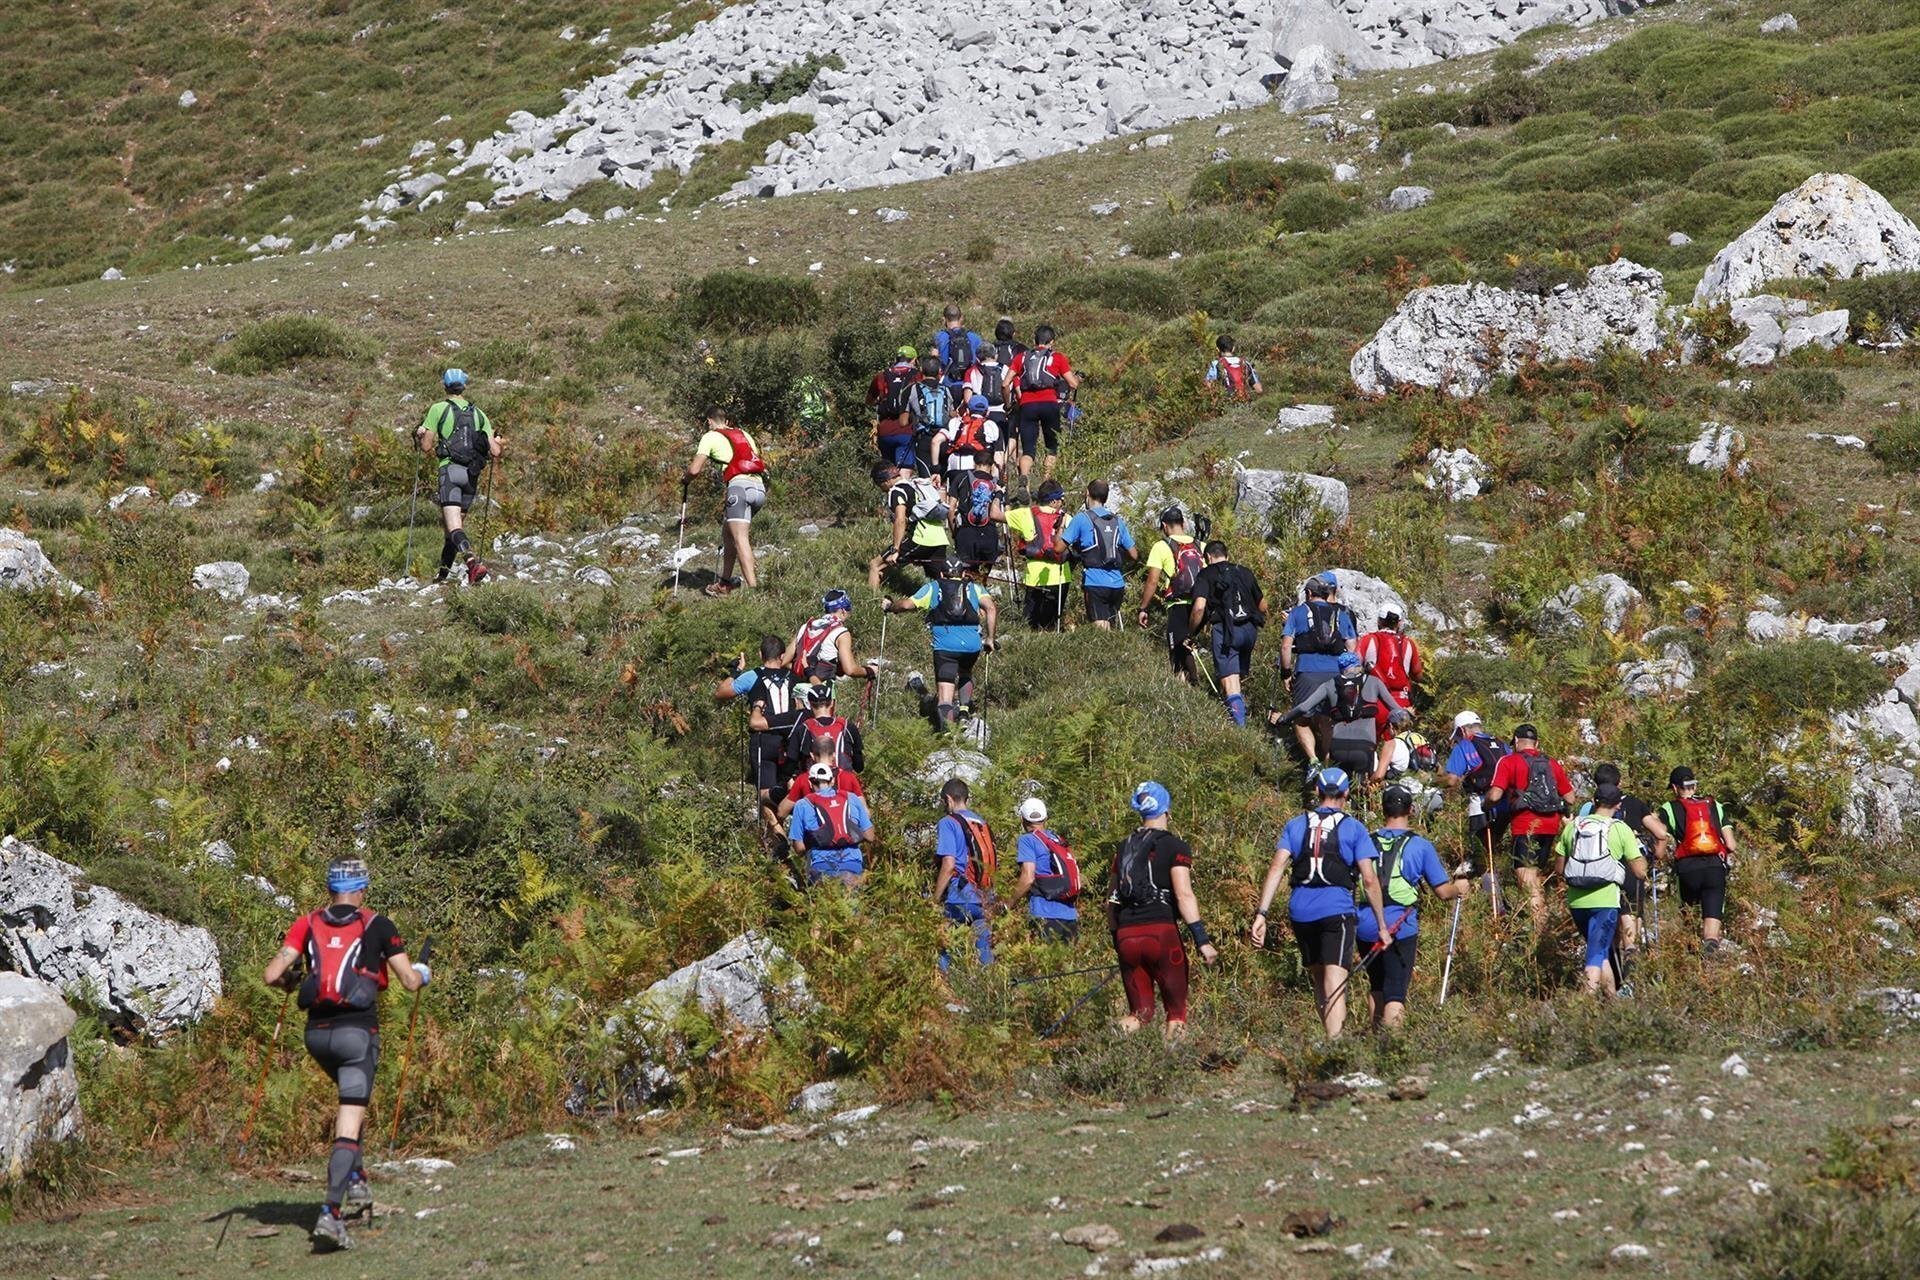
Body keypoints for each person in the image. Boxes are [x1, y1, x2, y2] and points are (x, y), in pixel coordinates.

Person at [262, 858, 429, 1251]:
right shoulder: (379, 925)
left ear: (329, 888)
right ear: (362, 889)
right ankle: (331, 1214)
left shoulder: (307, 923)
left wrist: (291, 982)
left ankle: (356, 1179)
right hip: (357, 1036)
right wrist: (424, 972)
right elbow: (408, 981)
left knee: (351, 1105)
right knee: (349, 1121)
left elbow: (271, 975)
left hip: (316, 1036)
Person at [1251, 767, 1388, 1040]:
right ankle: (1336, 1045)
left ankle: (1330, 1038)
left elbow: (1277, 867)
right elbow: (1369, 879)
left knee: (1319, 978)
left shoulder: (1295, 824)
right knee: (1335, 980)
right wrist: (1382, 924)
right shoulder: (1354, 828)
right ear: (1347, 793)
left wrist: (1261, 914)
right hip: (1337, 911)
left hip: (1301, 912)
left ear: (1317, 791)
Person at [1108, 781, 1218, 1038]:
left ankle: (1102, 1041)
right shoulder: (1175, 846)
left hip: (1126, 935)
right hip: (1162, 935)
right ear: (1167, 810)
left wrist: (1118, 941)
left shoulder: (1123, 848)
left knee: (1141, 1013)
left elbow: (1111, 901)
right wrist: (1202, 941)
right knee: (1176, 1013)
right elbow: (1184, 894)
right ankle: (1173, 1062)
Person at [1359, 787, 1473, 1030]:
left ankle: (1374, 1040)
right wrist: (1459, 888)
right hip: (1399, 925)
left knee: (1377, 985)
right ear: (1411, 810)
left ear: (1382, 809)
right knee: (1395, 991)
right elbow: (1443, 892)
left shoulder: (1366, 840)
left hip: (1366, 923)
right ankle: (1392, 1046)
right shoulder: (1420, 845)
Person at [1553, 783, 1649, 996]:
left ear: (1594, 802)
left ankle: (1611, 1001)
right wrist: (1643, 857)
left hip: (1576, 901)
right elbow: (1640, 871)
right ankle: (1584, 1001)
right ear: (1618, 805)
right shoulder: (1619, 828)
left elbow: (1559, 868)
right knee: (1596, 954)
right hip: (1605, 900)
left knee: (1600, 950)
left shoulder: (1573, 827)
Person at [881, 557, 997, 731]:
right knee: (965, 671)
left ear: (941, 574)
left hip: (945, 645)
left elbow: (906, 605)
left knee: (945, 695)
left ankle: (948, 734)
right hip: (972, 644)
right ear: (963, 574)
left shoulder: (934, 587)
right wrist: (990, 638)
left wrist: (891, 607)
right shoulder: (975, 588)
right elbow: (991, 608)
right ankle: (964, 712)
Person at [415, 368, 501, 585]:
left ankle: (472, 564)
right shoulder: (479, 414)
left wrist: (421, 434)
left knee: (454, 527)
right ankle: (442, 576)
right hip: (471, 476)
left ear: (445, 386)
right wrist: (497, 440)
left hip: (450, 472)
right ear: (464, 387)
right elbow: (495, 451)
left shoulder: (438, 409)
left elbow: (426, 447)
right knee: (451, 531)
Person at [1274, 651, 1411, 785]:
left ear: (1340, 669)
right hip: (1364, 746)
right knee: (1361, 790)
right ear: (1358, 666)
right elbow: (1398, 711)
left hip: (1338, 747)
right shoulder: (1374, 682)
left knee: (1337, 788)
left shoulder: (1330, 684)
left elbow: (1304, 707)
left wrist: (1284, 718)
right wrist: (1405, 715)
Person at [715, 636, 803, 841]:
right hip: (791, 741)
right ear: (782, 656)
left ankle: (779, 838)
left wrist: (736, 670)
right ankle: (789, 834)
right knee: (785, 787)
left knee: (764, 794)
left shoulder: (752, 676)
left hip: (763, 741)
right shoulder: (795, 678)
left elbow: (721, 692)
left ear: (760, 654)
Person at [1482, 724, 1573, 918]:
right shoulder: (1551, 763)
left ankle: (1539, 928)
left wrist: (1485, 804)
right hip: (1550, 827)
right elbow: (1570, 797)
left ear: (1516, 741)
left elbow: (1495, 795)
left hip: (1526, 827)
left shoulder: (1508, 761)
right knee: (1536, 875)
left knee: (1528, 880)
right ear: (1536, 743)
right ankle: (1543, 921)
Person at [1580, 763, 1671, 953]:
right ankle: (1630, 949)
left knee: (1610, 913)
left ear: (1596, 784)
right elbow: (1661, 833)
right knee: (1631, 908)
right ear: (1619, 782)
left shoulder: (1589, 808)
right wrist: (1657, 854)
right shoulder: (1634, 803)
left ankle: (1612, 958)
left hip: (1600, 867)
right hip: (1632, 863)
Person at [682, 408, 764, 598]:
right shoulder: (744, 434)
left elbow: (694, 470)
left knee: (740, 539)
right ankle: (724, 584)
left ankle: (754, 592)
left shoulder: (710, 436)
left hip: (739, 489)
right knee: (728, 533)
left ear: (709, 421)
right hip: (759, 489)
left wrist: (685, 480)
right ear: (726, 421)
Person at [1275, 573, 1357, 759]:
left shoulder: (1298, 612)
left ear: (1309, 593)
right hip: (1335, 672)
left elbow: (1286, 646)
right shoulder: (1341, 614)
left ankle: (1313, 761)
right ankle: (1327, 761)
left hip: (1307, 670)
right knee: (1327, 719)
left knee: (1301, 719)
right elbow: (1352, 646)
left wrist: (1286, 673)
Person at [1657, 766, 1739, 952]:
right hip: (1715, 868)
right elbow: (1731, 844)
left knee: (1690, 918)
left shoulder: (1668, 808)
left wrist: (1657, 855)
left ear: (1674, 788)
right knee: (1712, 920)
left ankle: (1692, 955)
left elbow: (1660, 837)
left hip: (1688, 869)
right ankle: (1710, 948)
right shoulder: (1715, 805)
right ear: (1694, 786)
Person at [1187, 540, 1267, 725]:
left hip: (1227, 630)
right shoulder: (1244, 571)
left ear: (1208, 557)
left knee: (1231, 683)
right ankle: (1236, 714)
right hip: (1250, 631)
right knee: (1236, 679)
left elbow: (1199, 607)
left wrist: (1191, 632)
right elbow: (1262, 605)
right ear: (1227, 555)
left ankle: (1240, 728)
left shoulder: (1205, 574)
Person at [1442, 711, 1511, 901]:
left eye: (1457, 735)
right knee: (1495, 852)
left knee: (1482, 857)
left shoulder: (1465, 746)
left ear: (1463, 730)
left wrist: (1433, 781)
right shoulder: (1501, 744)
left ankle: (1495, 904)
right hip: (1507, 806)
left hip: (1481, 805)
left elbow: (1451, 780)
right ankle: (1500, 897)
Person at [1137, 507, 1207, 684]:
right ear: (1183, 523)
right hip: (1200, 605)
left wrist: (1143, 608)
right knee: (1189, 645)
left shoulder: (1161, 546)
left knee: (1177, 649)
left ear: (1164, 525)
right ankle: (1191, 686)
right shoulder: (1201, 545)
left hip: (1178, 604)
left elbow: (1152, 580)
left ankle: (1189, 686)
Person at [933, 779, 995, 970]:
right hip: (985, 897)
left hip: (959, 898)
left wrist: (935, 899)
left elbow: (949, 865)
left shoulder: (948, 823)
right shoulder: (982, 823)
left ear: (948, 799)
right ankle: (990, 984)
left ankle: (942, 981)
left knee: (942, 942)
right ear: (966, 798)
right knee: (985, 952)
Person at [868, 460, 955, 590]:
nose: (882, 490)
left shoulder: (896, 491)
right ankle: (953, 600)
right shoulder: (914, 484)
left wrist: (895, 550)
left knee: (875, 565)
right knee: (941, 580)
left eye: (880, 485)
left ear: (886, 481)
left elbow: (900, 520)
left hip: (920, 539)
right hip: (939, 538)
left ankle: (871, 599)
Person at [788, 761, 876, 888]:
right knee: (850, 899)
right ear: (832, 781)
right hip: (852, 864)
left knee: (823, 899)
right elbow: (870, 836)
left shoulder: (802, 805)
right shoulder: (851, 798)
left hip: (820, 866)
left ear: (810, 783)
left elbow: (799, 847)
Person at [1063, 480, 1137, 630]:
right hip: (1117, 583)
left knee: (1101, 630)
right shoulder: (1117, 521)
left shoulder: (1082, 518)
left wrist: (1060, 529)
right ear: (1106, 497)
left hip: (1095, 581)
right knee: (1111, 626)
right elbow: (1134, 554)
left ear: (1087, 493)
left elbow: (1059, 547)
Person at [1013, 324, 1080, 488]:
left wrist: (1010, 403)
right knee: (1051, 448)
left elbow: (1006, 382)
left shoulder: (1021, 357)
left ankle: (1024, 480)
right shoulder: (1057, 357)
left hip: (1027, 405)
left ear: (1034, 340)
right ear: (1052, 342)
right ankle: (1045, 485)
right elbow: (1073, 383)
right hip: (1049, 405)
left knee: (1028, 450)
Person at [1005, 479, 1072, 630]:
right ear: (1053, 501)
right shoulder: (1067, 518)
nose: (1062, 503)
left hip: (1034, 578)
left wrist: (1000, 496)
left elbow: (995, 515)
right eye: (1061, 500)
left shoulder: (1025, 514)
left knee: (1030, 625)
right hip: (1061, 578)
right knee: (1052, 625)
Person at [1012, 796, 1080, 942]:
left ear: (1022, 819)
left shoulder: (1027, 840)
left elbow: (1028, 878)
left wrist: (1009, 903)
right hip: (1070, 915)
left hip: (1044, 914)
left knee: (1041, 957)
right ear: (1046, 818)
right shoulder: (1058, 840)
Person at [786, 589, 877, 689]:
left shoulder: (806, 627)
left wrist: (803, 671)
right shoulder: (841, 633)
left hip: (796, 688)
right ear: (843, 611)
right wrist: (869, 671)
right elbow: (850, 670)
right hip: (821, 692)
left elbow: (785, 661)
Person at [776, 735, 865, 823]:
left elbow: (781, 812)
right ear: (834, 755)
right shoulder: (849, 777)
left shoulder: (803, 779)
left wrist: (791, 791)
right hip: (845, 830)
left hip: (816, 831)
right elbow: (865, 813)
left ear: (812, 755)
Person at [785, 682, 865, 775]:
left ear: (810, 704)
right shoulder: (847, 726)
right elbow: (859, 766)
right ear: (832, 703)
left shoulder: (803, 729)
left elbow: (790, 766)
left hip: (814, 782)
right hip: (843, 781)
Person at [938, 395, 1000, 505]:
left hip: (954, 467)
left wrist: (936, 469)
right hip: (976, 468)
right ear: (987, 412)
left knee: (953, 494)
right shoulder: (991, 425)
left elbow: (937, 441)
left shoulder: (955, 422)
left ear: (967, 411)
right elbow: (998, 456)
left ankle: (950, 509)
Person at [1356, 609, 1422, 710]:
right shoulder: (1408, 643)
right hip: (1401, 703)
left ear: (1379, 621)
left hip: (1373, 702)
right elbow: (1417, 675)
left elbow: (1353, 667)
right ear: (1399, 623)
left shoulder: (1368, 639)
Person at [869, 346, 921, 469]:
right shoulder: (917, 375)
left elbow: (869, 400)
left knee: (889, 472)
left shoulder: (882, 376)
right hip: (906, 429)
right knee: (904, 471)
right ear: (914, 360)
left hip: (885, 431)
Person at [908, 353, 957, 477]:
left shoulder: (913, 389)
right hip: (943, 438)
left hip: (923, 438)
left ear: (921, 370)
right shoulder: (945, 390)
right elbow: (951, 412)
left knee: (926, 480)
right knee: (943, 480)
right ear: (939, 371)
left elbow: (903, 420)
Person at [952, 460, 1004, 571]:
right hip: (989, 535)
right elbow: (1006, 512)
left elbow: (951, 508)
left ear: (974, 463)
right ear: (991, 466)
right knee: (984, 573)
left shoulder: (962, 477)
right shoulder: (998, 483)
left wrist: (954, 533)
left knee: (966, 573)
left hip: (966, 533)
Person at [968, 341, 1013, 450]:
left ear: (978, 358)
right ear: (995, 355)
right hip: (1001, 412)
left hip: (981, 415)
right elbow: (1010, 387)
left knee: (982, 448)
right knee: (1001, 448)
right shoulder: (1005, 368)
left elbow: (967, 398)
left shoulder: (973, 370)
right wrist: (1008, 406)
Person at [932, 305, 983, 400]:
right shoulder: (974, 337)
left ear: (944, 319)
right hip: (969, 385)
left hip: (947, 384)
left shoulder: (939, 337)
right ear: (961, 318)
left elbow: (934, 362)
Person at [1205, 335, 1262, 400]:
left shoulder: (1216, 364)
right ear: (1233, 348)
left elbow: (1208, 386)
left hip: (1226, 402)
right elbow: (1259, 390)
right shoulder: (1245, 363)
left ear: (1217, 349)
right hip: (1244, 402)